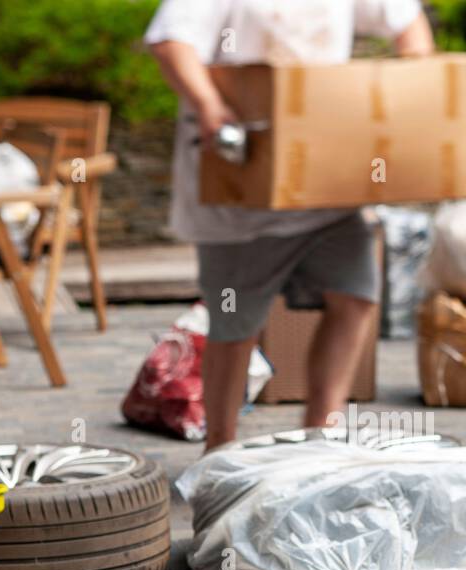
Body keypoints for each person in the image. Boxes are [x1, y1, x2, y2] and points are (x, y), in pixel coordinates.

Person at [146, 0, 435, 450]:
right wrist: (207, 103)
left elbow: (405, 19)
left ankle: (322, 430)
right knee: (235, 325)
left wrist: (413, 80)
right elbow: (171, 42)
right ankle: (219, 448)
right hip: (242, 190)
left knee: (357, 293)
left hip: (326, 183)